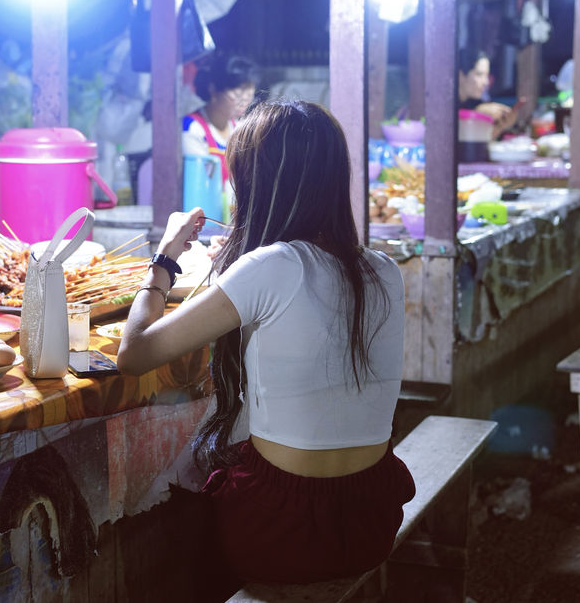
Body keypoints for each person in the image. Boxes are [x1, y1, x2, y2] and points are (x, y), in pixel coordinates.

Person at [118, 100, 415, 595]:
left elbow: (134, 355)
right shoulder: (382, 269)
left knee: (186, 511)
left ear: (261, 183)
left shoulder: (272, 266)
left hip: (286, 531)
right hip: (370, 518)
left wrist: (164, 259)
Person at [182, 53, 261, 192]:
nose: (245, 100)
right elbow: (203, 181)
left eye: (250, 92)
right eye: (239, 91)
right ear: (213, 89)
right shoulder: (192, 128)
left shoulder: (239, 128)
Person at [459, 48, 518, 139]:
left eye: (486, 75)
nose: (486, 82)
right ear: (461, 75)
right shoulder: (446, 109)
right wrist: (478, 113)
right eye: (479, 74)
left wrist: (502, 125)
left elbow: (480, 140)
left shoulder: (475, 103)